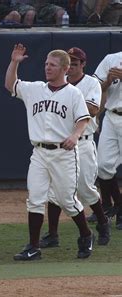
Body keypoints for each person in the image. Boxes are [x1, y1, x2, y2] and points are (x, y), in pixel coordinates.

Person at [5, 44, 94, 261]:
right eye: (46, 64)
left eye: (52, 65)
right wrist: (15, 62)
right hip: (39, 152)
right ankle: (33, 246)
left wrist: (74, 135)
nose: (47, 68)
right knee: (35, 198)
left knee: (66, 200)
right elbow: (10, 84)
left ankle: (85, 234)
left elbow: (84, 118)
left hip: (63, 154)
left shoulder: (73, 93)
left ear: (65, 68)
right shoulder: (35, 88)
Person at [39, 47, 110, 248]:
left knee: (85, 189)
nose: (72, 67)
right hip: (61, 144)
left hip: (84, 142)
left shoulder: (91, 83)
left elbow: (94, 109)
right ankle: (53, 234)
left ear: (82, 64)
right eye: (70, 63)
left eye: (76, 63)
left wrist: (71, 101)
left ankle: (103, 223)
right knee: (54, 190)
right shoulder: (56, 85)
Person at [93, 50, 122, 230]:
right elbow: (95, 89)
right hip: (112, 115)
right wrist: (107, 82)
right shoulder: (111, 59)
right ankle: (113, 206)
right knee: (102, 166)